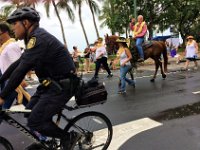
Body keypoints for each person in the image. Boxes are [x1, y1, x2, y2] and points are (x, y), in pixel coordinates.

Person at [0, 7, 81, 149]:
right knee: (29, 113)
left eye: (15, 24)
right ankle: (48, 140)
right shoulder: (34, 39)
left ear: (25, 23)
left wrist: (2, 96)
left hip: (62, 86)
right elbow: (16, 65)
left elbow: (21, 71)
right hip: (50, 85)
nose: (13, 28)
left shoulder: (39, 39)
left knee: (35, 121)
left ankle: (68, 136)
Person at [0, 23, 24, 110]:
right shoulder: (4, 46)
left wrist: (18, 81)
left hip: (12, 82)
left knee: (3, 109)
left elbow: (18, 65)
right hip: (8, 81)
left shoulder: (11, 46)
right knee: (30, 105)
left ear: (5, 33)